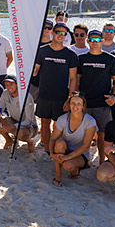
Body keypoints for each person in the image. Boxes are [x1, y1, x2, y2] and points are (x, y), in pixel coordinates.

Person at [77, 30, 115, 163]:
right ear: (88, 41)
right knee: (83, 134)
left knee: (102, 135)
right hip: (84, 103)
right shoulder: (82, 59)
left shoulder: (110, 59)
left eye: (97, 40)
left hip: (102, 104)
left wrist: (114, 96)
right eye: (92, 40)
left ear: (102, 41)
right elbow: (76, 79)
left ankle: (102, 161)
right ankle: (83, 160)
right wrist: (73, 97)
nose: (95, 43)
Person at [33, 22, 78, 153]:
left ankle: (57, 149)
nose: (60, 35)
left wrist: (70, 99)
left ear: (66, 36)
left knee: (60, 126)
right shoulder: (42, 51)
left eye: (63, 33)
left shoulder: (70, 54)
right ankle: (47, 149)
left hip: (61, 96)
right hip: (44, 95)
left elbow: (73, 78)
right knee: (45, 123)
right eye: (58, 32)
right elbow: (35, 71)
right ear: (52, 32)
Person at [50, 92, 97, 187]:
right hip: (65, 149)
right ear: (69, 104)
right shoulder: (62, 119)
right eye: (73, 103)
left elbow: (86, 145)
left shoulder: (90, 121)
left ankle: (75, 171)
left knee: (68, 166)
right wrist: (52, 154)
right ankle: (58, 176)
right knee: (59, 143)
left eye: (78, 103)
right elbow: (53, 139)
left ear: (83, 106)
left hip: (81, 153)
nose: (75, 106)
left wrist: (68, 157)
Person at [0, 74, 38, 151]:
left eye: (11, 84)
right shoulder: (5, 93)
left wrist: (12, 126)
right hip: (13, 120)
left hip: (29, 126)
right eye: (6, 85)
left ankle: (30, 142)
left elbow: (29, 121)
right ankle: (9, 140)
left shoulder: (26, 97)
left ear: (17, 84)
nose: (9, 87)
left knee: (20, 134)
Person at [29, 19, 53, 101]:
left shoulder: (54, 45)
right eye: (45, 27)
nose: (46, 30)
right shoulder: (33, 44)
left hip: (48, 84)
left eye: (49, 28)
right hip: (33, 82)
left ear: (52, 30)